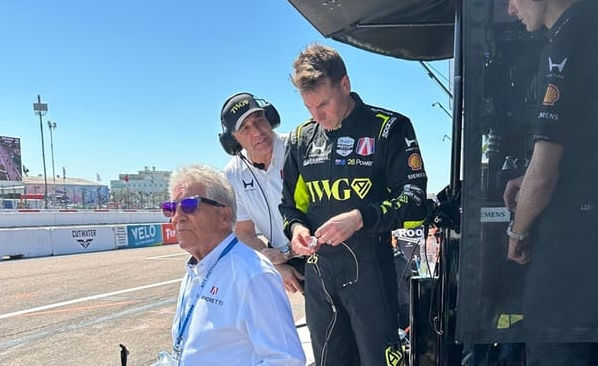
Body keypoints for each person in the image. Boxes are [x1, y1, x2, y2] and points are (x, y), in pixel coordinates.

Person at [500, 0, 598, 365]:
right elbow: (592, 141)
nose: (510, 9)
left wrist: (518, 231)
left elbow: (546, 172)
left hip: (570, 257)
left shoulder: (568, 42)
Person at [280, 43, 429, 366]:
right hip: (319, 280)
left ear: (345, 85)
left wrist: (361, 217)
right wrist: (297, 229)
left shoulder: (389, 128)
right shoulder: (300, 140)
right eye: (308, 107)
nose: (317, 116)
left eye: (324, 103)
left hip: (371, 273)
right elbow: (289, 207)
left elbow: (415, 201)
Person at [164, 164, 305, 365]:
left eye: (189, 206)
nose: (177, 217)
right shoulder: (196, 270)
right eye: (170, 208)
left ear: (224, 216)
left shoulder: (254, 275)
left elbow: (287, 360)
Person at [220, 92, 305, 293]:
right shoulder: (233, 173)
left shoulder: (298, 147)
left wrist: (285, 253)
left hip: (325, 251)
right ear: (232, 139)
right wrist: (274, 263)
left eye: (259, 120)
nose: (257, 131)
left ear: (270, 118)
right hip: (291, 263)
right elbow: (244, 232)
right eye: (245, 128)